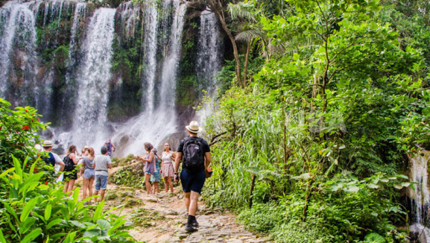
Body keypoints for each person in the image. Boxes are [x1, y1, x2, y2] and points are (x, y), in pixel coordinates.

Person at [174, 121, 211, 232]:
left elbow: (178, 158)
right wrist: (205, 168)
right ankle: (191, 221)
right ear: (197, 131)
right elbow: (208, 159)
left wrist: (175, 173)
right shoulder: (203, 142)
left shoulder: (183, 142)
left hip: (186, 172)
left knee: (187, 196)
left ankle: (190, 219)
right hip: (199, 172)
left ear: (188, 130)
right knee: (194, 197)